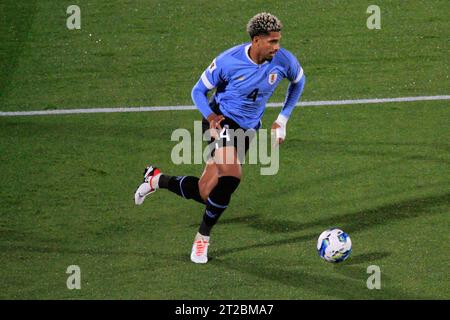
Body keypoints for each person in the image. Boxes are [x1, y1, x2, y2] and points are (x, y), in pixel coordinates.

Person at [134, 12, 306, 264]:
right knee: (232, 176)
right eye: (272, 42)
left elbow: (299, 82)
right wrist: (210, 116)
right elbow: (197, 91)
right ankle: (202, 238)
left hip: (248, 130)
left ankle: (156, 179)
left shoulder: (283, 60)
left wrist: (282, 120)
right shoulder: (228, 61)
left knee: (207, 192)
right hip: (220, 121)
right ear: (256, 40)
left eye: (278, 40)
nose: (277, 47)